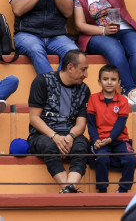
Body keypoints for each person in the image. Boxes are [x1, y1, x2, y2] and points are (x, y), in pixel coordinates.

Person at [27, 50, 90, 193]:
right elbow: (34, 118)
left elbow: (81, 124)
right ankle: (68, 189)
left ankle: (69, 189)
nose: (86, 75)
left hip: (70, 135)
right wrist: (55, 137)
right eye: (83, 69)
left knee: (82, 146)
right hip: (43, 134)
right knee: (49, 146)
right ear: (70, 67)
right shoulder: (42, 81)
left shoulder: (84, 89)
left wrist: (70, 137)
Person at [86, 64, 136, 193]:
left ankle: (123, 189)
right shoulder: (93, 98)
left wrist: (110, 139)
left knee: (131, 159)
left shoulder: (123, 101)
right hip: (100, 140)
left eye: (113, 79)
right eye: (105, 79)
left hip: (119, 139)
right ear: (99, 81)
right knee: (102, 158)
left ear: (119, 82)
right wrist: (95, 140)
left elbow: (120, 123)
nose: (109, 82)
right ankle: (102, 190)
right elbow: (91, 123)